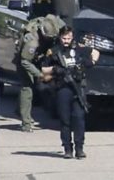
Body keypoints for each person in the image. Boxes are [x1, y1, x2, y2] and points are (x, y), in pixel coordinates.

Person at [41, 26, 99, 159]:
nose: (66, 41)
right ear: (60, 37)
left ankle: (80, 148)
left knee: (79, 118)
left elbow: (95, 51)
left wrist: (91, 62)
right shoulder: (54, 51)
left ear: (72, 37)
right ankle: (67, 148)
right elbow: (43, 70)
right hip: (62, 89)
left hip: (78, 88)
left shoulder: (78, 49)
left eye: (68, 38)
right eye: (64, 38)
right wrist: (55, 69)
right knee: (65, 120)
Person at [17, 14, 65, 132]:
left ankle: (20, 109)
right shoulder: (32, 41)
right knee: (27, 88)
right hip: (26, 59)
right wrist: (40, 75)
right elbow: (25, 62)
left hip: (42, 55)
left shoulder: (54, 23)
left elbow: (65, 28)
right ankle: (26, 122)